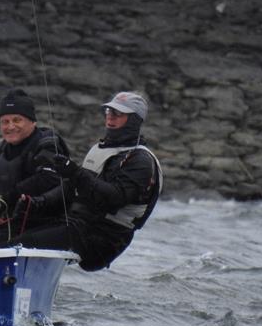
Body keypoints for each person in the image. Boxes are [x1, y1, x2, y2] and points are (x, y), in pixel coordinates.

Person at [9, 91, 163, 271]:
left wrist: (75, 172)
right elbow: (71, 188)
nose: (111, 117)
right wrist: (38, 203)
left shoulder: (140, 160)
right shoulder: (102, 148)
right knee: (10, 231)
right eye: (108, 111)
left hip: (104, 238)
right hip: (79, 224)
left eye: (118, 114)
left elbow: (114, 198)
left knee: (21, 244)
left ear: (134, 120)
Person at [0, 88, 70, 242]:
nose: (10, 126)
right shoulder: (1, 150)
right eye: (5, 121)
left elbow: (49, 178)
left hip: (48, 224)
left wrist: (7, 199)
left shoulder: (48, 144)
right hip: (14, 223)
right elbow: (0, 187)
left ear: (32, 121)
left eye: (17, 120)